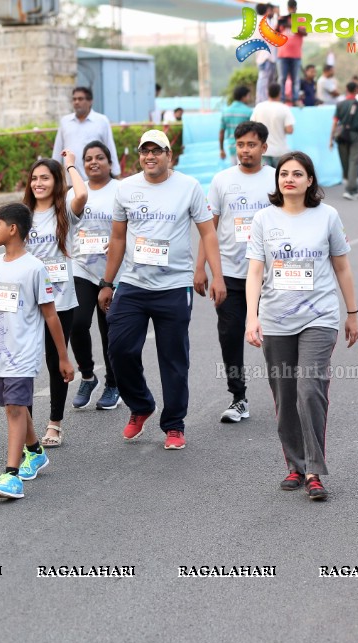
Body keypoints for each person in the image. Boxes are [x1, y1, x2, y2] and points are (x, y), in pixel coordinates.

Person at [99, 130, 226, 450]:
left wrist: (216, 275)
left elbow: (208, 233)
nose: (150, 156)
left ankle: (173, 424)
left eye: (157, 151)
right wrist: (107, 281)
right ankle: (141, 405)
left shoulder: (189, 187)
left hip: (174, 285)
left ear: (170, 155)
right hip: (133, 282)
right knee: (119, 349)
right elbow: (117, 238)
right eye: (145, 151)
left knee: (173, 358)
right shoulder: (126, 188)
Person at [245, 152, 358, 501]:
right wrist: (253, 315)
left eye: (297, 173)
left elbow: (342, 267)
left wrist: (352, 313)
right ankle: (294, 465)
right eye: (283, 173)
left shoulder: (327, 216)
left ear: (310, 180)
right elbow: (255, 271)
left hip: (318, 317)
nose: (289, 178)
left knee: (310, 390)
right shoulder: (264, 218)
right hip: (277, 319)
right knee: (286, 395)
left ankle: (314, 470)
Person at [0, 203, 74, 500]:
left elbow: (51, 315)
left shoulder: (34, 267)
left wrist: (62, 357)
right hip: (0, 353)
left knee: (13, 409)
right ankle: (35, 452)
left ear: (12, 229)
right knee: (16, 406)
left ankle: (11, 476)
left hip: (24, 352)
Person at [195, 121, 275, 423]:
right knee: (229, 337)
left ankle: (285, 392)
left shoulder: (277, 180)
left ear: (264, 148)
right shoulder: (222, 180)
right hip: (229, 274)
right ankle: (238, 397)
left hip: (271, 277)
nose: (245, 150)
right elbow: (209, 227)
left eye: (251, 144)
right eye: (240, 144)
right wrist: (201, 268)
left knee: (277, 339)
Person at [22, 151, 87, 448]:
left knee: (55, 361)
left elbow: (82, 192)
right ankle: (27, 429)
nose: (38, 183)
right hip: (27, 302)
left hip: (60, 301)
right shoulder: (21, 213)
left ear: (56, 181)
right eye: (34, 178)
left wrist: (70, 164)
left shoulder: (64, 213)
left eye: (45, 178)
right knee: (25, 365)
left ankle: (54, 424)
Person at [69, 142, 122, 411]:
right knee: (77, 323)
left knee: (109, 330)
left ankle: (114, 384)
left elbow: (131, 228)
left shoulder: (121, 191)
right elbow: (64, 227)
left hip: (113, 271)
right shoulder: (76, 192)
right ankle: (88, 376)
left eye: (99, 158)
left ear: (109, 163)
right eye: (88, 158)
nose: (93, 162)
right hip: (81, 268)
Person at [52, 87, 119, 180]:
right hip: (71, 180)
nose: (76, 102)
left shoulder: (101, 121)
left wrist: (115, 173)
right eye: (74, 99)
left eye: (80, 99)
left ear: (90, 101)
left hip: (95, 179)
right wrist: (53, 173)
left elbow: (109, 147)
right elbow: (57, 150)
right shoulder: (65, 121)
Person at [330, 81, 358, 201]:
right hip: (355, 135)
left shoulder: (340, 104)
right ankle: (350, 189)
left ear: (347, 90)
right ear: (356, 91)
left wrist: (331, 139)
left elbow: (334, 123)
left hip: (341, 135)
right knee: (354, 161)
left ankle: (352, 188)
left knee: (345, 162)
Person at [251, 83, 296, 166]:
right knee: (279, 177)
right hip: (280, 151)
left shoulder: (259, 107)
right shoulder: (284, 108)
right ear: (280, 93)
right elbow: (289, 130)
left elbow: (252, 127)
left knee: (264, 177)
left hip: (263, 151)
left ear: (268, 93)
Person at [277, 0, 306, 104]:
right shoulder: (282, 19)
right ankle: (281, 99)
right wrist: (279, 20)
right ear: (288, 8)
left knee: (295, 79)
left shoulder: (301, 19)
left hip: (296, 55)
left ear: (296, 8)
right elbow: (275, 32)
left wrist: (292, 26)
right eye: (290, 7)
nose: (292, 9)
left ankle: (295, 99)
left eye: (293, 7)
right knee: (282, 79)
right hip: (282, 55)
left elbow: (305, 32)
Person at [220, 86, 253, 163]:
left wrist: (221, 149)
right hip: (245, 149)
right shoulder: (248, 112)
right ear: (243, 97)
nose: (249, 98)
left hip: (231, 148)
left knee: (234, 173)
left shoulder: (225, 112)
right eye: (248, 96)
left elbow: (221, 132)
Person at [255, 4, 280, 102]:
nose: (273, 13)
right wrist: (278, 15)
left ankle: (264, 100)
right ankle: (262, 101)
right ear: (267, 11)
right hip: (266, 57)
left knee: (267, 81)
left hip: (266, 57)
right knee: (264, 81)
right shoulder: (263, 22)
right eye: (271, 10)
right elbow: (276, 30)